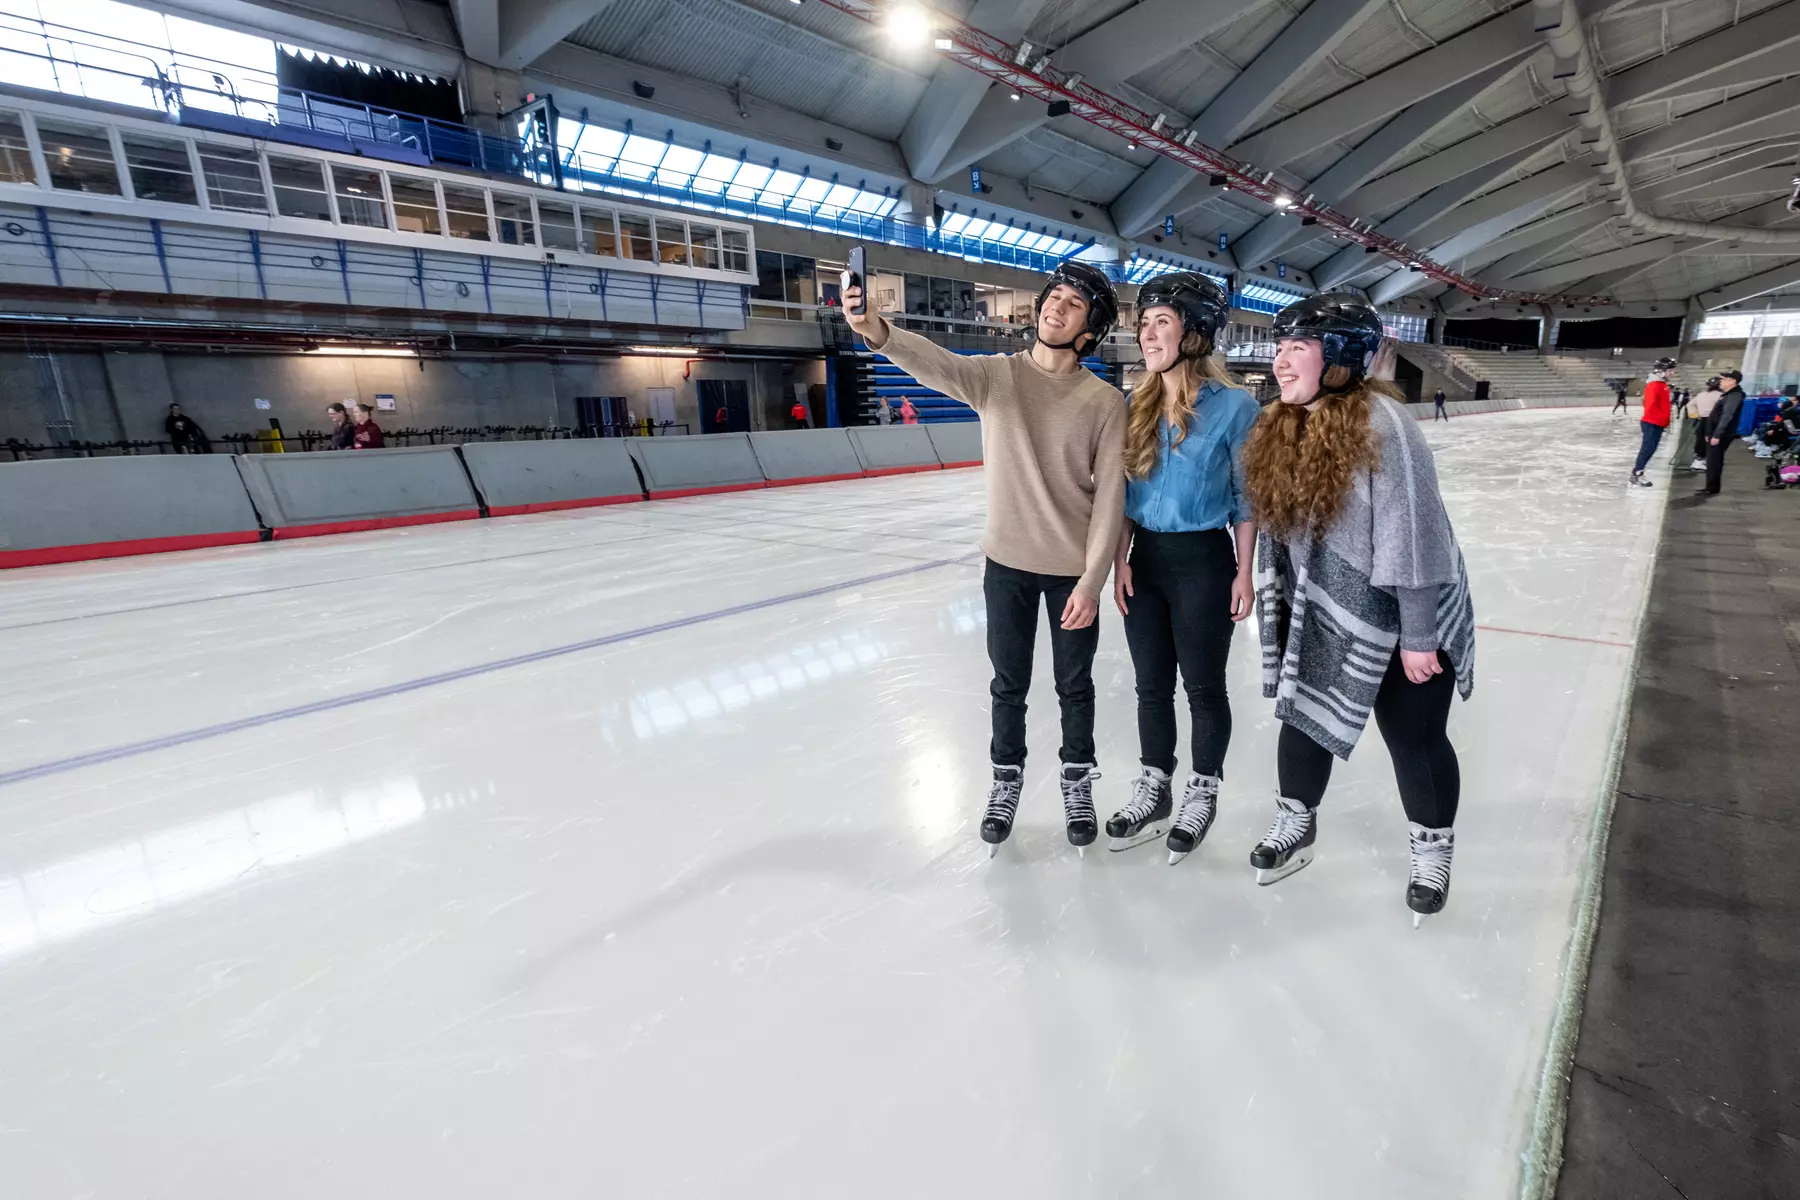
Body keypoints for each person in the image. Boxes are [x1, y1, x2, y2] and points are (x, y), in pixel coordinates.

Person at [841, 259, 1126, 857]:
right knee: (1008, 683)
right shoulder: (997, 377)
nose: (1057, 307)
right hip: (1008, 566)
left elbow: (1110, 502)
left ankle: (1078, 780)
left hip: (1072, 572)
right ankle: (1006, 781)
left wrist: (1093, 581)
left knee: (1075, 686)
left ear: (1089, 329)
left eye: (1074, 304)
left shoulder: (1104, 402)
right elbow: (935, 363)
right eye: (1055, 296)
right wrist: (877, 329)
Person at [1242, 293, 1475, 925]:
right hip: (1329, 611)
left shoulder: (1384, 425)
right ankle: (1296, 820)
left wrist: (1420, 634)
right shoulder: (1282, 424)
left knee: (1414, 737)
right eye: (1280, 347)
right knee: (1305, 717)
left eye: (1298, 347)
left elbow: (1413, 535)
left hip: (1406, 613)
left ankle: (1432, 848)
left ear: (1340, 355)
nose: (1280, 363)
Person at [1102, 273, 1259, 864]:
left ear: (1195, 332)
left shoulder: (1237, 408)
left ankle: (1203, 787)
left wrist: (1244, 571)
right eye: (1143, 323)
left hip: (1204, 561)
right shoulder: (1132, 403)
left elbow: (1248, 497)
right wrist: (1119, 560)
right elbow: (1119, 492)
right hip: (1146, 561)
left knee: (1202, 685)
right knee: (1150, 687)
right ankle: (1154, 785)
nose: (1147, 333)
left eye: (1160, 321)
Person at [1629, 357, 1676, 487]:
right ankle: (1637, 474)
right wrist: (1661, 420)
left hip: (1656, 423)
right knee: (1647, 449)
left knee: (1650, 449)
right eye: (1670, 370)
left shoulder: (1661, 384)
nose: (1673, 373)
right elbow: (1650, 406)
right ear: (1661, 371)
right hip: (1652, 423)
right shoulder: (1654, 385)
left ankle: (1637, 473)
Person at [1703, 369, 1746, 495]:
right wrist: (1708, 432)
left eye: (1723, 379)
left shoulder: (1734, 396)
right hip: (1715, 433)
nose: (1720, 381)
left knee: (1715, 460)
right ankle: (1710, 486)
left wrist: (1717, 434)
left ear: (1733, 381)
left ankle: (1712, 488)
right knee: (1712, 460)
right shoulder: (1727, 394)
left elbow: (1727, 416)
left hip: (1722, 434)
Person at [1687, 377, 1721, 470]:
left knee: (1700, 439)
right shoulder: (1721, 395)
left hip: (1701, 419)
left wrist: (1696, 414)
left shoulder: (1701, 394)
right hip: (1714, 420)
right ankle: (1703, 460)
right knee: (1710, 440)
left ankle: (1698, 459)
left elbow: (1690, 404)